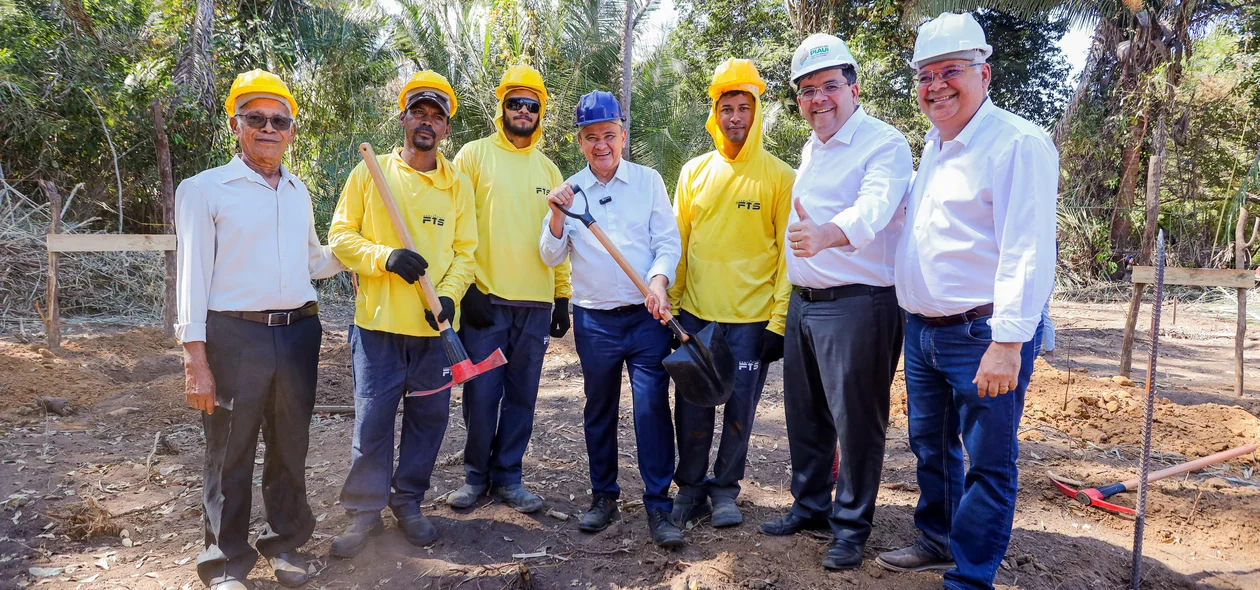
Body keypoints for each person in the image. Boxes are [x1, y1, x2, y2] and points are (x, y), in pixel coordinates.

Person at [877, 13, 1058, 590]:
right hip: (925, 329)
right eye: (926, 75)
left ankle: (972, 576)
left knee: (988, 461)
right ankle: (937, 538)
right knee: (929, 444)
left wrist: (1009, 342)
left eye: (949, 71)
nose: (936, 85)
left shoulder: (1018, 143)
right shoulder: (935, 144)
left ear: (984, 72)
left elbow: (1026, 248)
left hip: (983, 335)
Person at [175, 69, 344, 590]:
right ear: (235, 124)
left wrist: (370, 252)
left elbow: (313, 261)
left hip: (297, 335)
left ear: (292, 129)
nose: (269, 128)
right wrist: (195, 359)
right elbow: (192, 278)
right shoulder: (205, 190)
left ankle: (285, 544)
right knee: (229, 450)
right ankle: (224, 561)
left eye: (280, 120)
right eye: (257, 118)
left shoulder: (298, 191)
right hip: (234, 338)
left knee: (291, 445)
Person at [755, 34, 913, 571]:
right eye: (806, 90)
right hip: (806, 302)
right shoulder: (814, 146)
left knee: (857, 420)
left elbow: (873, 209)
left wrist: (826, 235)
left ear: (854, 87)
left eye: (828, 86)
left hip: (859, 304)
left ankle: (850, 527)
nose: (817, 98)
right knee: (807, 414)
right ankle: (811, 506)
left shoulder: (883, 143)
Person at [325, 71, 477, 558]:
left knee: (428, 421)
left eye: (436, 116)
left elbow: (465, 253)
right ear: (403, 118)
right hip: (377, 329)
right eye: (418, 113)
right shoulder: (369, 174)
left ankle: (408, 501)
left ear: (446, 129)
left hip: (434, 332)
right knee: (372, 421)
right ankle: (364, 513)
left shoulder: (457, 184)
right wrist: (385, 258)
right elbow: (341, 237)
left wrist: (449, 295)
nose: (426, 123)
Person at [539, 91, 685, 548]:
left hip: (645, 319)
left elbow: (667, 242)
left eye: (608, 134)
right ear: (579, 142)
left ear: (622, 135)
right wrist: (556, 216)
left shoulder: (648, 182)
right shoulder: (570, 190)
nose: (600, 144)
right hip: (594, 321)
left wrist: (658, 282)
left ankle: (660, 506)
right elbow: (548, 255)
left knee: (650, 409)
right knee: (598, 409)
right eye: (590, 137)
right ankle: (603, 497)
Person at [667, 58, 794, 529]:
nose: (736, 117)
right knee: (693, 407)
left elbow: (787, 258)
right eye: (727, 109)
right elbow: (677, 244)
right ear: (715, 115)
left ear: (756, 112)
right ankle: (691, 490)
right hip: (698, 318)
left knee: (740, 411)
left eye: (744, 107)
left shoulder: (780, 176)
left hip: (751, 323)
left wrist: (778, 323)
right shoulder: (693, 172)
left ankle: (725, 490)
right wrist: (674, 309)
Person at [447, 65, 572, 513]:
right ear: (502, 108)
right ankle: (475, 478)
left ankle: (509, 478)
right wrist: (465, 291)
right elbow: (456, 224)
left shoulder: (549, 168)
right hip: (486, 302)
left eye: (532, 105)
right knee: (482, 397)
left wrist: (561, 297)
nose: (523, 110)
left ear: (541, 112)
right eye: (515, 103)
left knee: (522, 396)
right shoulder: (473, 155)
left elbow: (558, 235)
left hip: (535, 306)